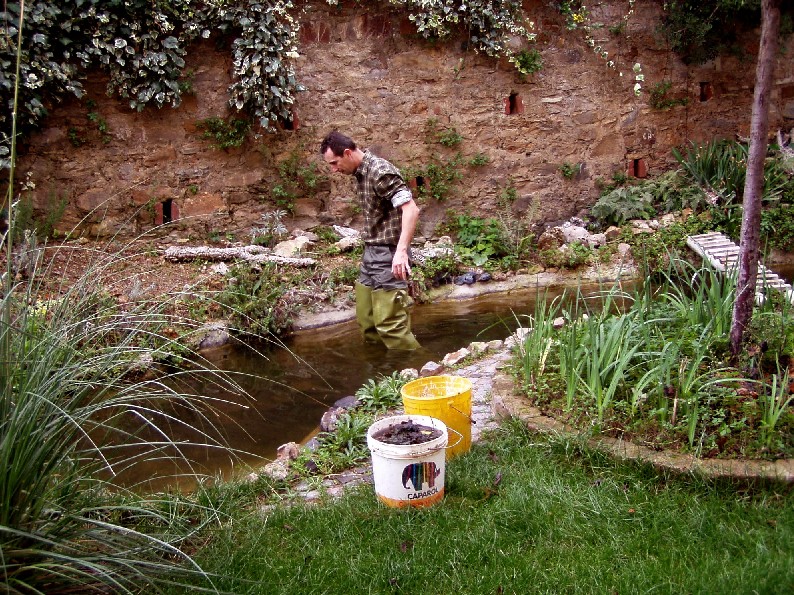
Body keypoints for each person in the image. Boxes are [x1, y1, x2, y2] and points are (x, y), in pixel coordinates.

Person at [320, 130, 421, 350]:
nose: (334, 169)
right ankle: (381, 375)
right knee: (368, 323)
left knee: (391, 327)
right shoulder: (360, 173)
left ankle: (422, 373)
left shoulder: (380, 172)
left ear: (347, 153)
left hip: (389, 255)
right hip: (371, 253)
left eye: (335, 163)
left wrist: (401, 252)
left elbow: (411, 210)